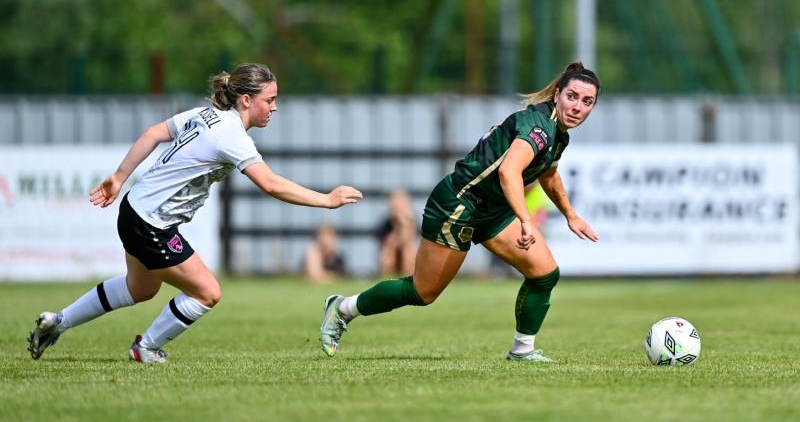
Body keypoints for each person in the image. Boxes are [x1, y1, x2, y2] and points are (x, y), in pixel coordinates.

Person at [27, 63, 362, 364]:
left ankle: (58, 322)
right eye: (269, 99)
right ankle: (146, 348)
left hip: (135, 209)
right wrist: (327, 200)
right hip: (150, 223)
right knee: (208, 292)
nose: (274, 107)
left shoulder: (205, 115)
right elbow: (271, 184)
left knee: (140, 289)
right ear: (245, 99)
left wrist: (120, 176)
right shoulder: (231, 135)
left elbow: (154, 133)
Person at [319, 61, 600, 362]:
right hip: (458, 204)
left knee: (544, 274)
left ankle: (522, 350)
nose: (578, 107)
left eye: (587, 102)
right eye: (572, 96)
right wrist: (525, 220)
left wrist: (570, 214)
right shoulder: (539, 126)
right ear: (557, 94)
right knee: (422, 292)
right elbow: (509, 172)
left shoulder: (558, 134)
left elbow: (548, 174)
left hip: (492, 210)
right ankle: (342, 308)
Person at [376, 189, 418, 277]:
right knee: (387, 252)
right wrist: (398, 227)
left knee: (408, 250)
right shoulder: (386, 223)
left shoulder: (412, 221)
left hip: (406, 253)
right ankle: (387, 279)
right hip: (392, 254)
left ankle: (409, 279)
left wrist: (404, 224)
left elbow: (409, 240)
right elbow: (388, 243)